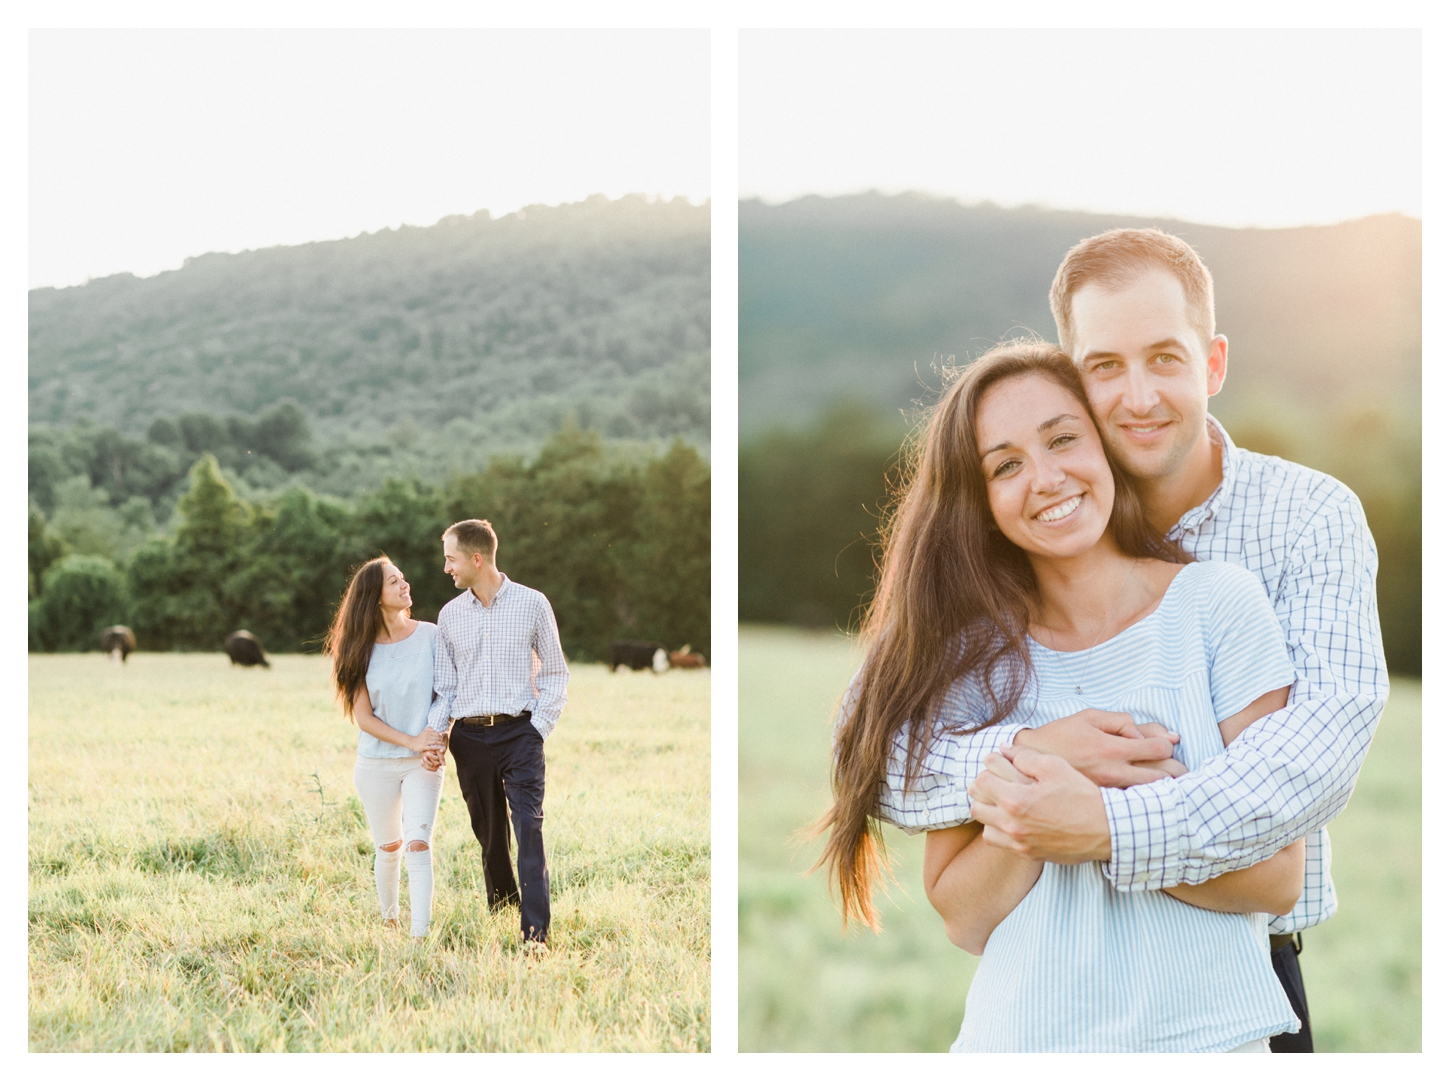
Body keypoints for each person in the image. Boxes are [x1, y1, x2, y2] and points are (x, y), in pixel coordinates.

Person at [880, 228, 1388, 1052]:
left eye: (1166, 358)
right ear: (1072, 383)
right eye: (1105, 366)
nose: (1139, 395)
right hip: (1039, 1011)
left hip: (1237, 980)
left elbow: (1313, 756)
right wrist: (1038, 753)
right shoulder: (995, 609)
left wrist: (1105, 826)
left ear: (1214, 364)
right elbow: (884, 752)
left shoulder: (1296, 528)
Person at [822, 341, 1303, 1051]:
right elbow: (964, 916)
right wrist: (1040, 789)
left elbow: (1276, 875)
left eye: (1063, 439)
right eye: (1006, 466)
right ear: (980, 504)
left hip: (1210, 1043)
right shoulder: (968, 660)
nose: (1046, 478)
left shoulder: (1218, 604)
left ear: (1105, 446)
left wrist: (1097, 822)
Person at [424, 519, 568, 948]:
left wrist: (536, 730)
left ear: (476, 558)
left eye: (450, 559)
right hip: (469, 739)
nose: (446, 568)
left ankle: (535, 936)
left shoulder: (532, 603)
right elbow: (446, 688)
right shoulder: (449, 616)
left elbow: (556, 674)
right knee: (489, 836)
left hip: (519, 734)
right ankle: (502, 908)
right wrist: (437, 735)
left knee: (528, 829)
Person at [324, 556, 447, 940]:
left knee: (418, 841)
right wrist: (411, 739)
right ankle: (390, 921)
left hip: (422, 763)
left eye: (402, 577)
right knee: (389, 846)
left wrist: (436, 738)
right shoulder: (356, 649)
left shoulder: (431, 635)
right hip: (375, 764)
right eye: (394, 582)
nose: (404, 584)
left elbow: (446, 693)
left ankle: (419, 934)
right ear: (374, 597)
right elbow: (365, 718)